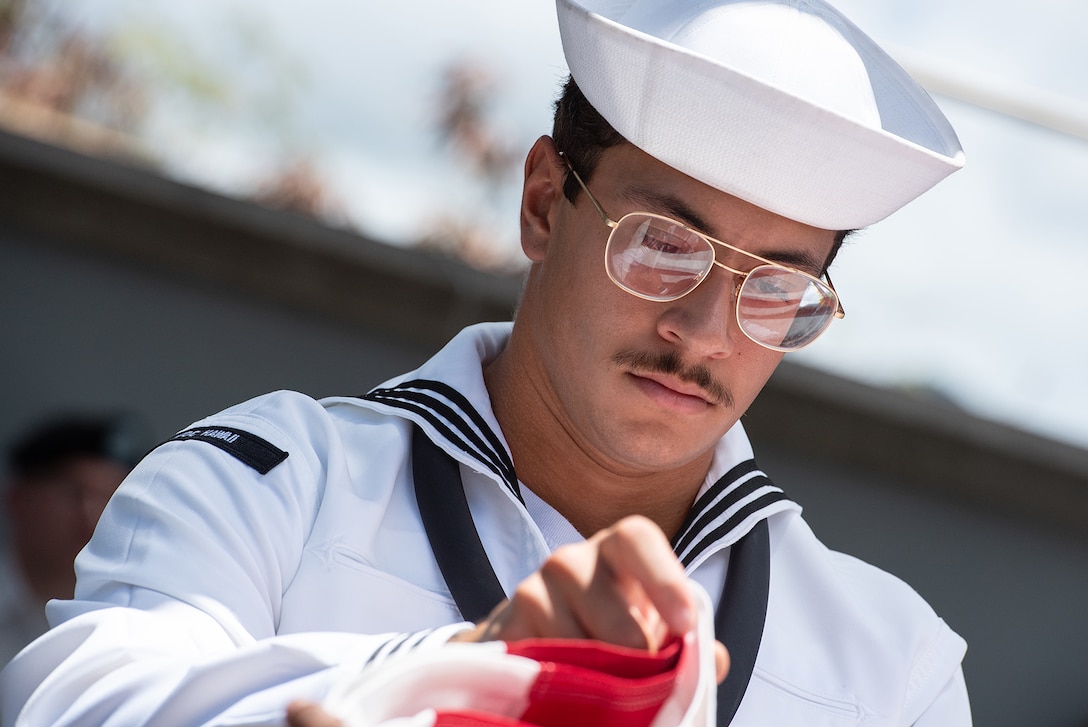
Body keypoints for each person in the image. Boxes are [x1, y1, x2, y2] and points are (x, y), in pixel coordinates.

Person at [0, 0, 972, 724]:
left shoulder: (890, 666)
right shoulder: (273, 480)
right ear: (544, 203)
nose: (706, 329)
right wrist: (458, 671)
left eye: (773, 290)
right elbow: (79, 701)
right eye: (661, 247)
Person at [0, 413, 149, 667]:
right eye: (71, 495)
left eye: (110, 498)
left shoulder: (138, 622)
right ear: (18, 499)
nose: (91, 518)